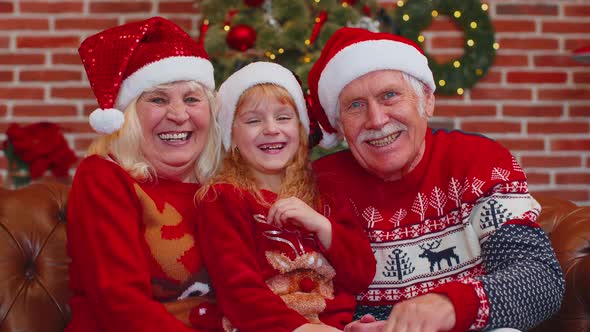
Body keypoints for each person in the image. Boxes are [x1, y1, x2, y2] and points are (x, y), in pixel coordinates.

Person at [307, 27, 565, 332]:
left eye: (389, 95)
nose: (376, 120)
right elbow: (303, 292)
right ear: (340, 126)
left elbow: (539, 278)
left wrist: (452, 305)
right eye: (355, 105)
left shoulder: (478, 162)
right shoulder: (322, 185)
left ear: (426, 100)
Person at [66, 17, 224, 331]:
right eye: (158, 99)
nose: (179, 115)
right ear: (128, 116)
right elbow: (120, 304)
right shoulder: (104, 176)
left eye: (192, 99)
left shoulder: (223, 182)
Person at [195, 61, 376, 332]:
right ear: (230, 134)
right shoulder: (223, 198)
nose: (271, 129)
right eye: (253, 120)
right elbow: (238, 290)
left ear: (301, 129)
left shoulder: (325, 193)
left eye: (283, 117)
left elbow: (361, 275)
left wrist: (321, 225)